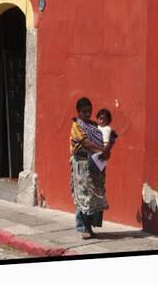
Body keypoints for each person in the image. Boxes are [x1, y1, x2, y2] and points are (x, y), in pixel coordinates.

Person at [69, 97, 113, 239]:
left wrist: (107, 149)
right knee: (84, 196)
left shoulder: (94, 126)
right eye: (84, 112)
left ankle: (91, 226)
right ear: (78, 112)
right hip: (82, 165)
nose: (87, 114)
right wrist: (102, 150)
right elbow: (87, 144)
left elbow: (102, 139)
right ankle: (84, 228)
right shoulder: (77, 126)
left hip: (95, 164)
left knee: (95, 195)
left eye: (89, 111)